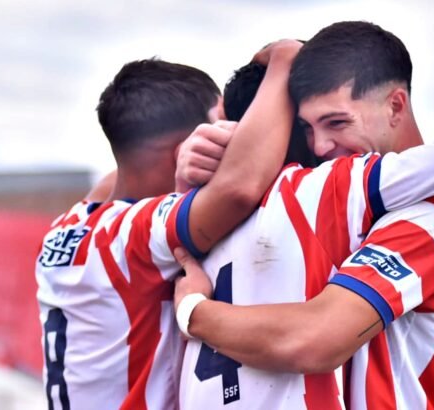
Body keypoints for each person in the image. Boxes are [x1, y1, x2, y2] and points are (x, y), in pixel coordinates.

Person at [174, 22, 434, 409]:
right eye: (305, 128)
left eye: (336, 123)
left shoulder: (429, 215)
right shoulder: (320, 196)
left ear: (395, 105)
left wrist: (194, 311)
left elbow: (315, 339)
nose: (320, 144)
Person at [35, 44, 299, 410]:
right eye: (221, 126)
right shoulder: (136, 235)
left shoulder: (69, 225)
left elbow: (128, 172)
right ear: (185, 148)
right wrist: (285, 58)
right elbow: (239, 189)